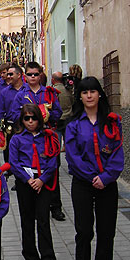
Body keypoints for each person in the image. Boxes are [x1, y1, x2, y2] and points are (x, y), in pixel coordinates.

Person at [65, 77, 124, 260]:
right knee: (84, 233)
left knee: (106, 234)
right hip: (83, 184)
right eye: (84, 92)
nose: (89, 96)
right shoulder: (73, 124)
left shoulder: (112, 122)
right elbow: (73, 156)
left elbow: (118, 154)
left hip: (107, 185)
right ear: (79, 96)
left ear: (100, 94)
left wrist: (106, 177)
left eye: (93, 91)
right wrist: (92, 177)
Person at [9, 104, 59, 260]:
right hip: (26, 182)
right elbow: (14, 163)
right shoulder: (16, 139)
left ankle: (48, 258)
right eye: (26, 118)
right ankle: (30, 256)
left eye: (34, 118)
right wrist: (28, 180)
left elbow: (53, 161)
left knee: (43, 220)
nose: (30, 122)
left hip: (42, 182)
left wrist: (42, 180)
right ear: (22, 120)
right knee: (27, 220)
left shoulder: (48, 137)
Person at [49, 71, 74, 221]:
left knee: (56, 145)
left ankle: (55, 163)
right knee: (69, 144)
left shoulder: (55, 91)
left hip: (59, 120)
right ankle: (70, 165)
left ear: (53, 80)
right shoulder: (67, 90)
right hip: (69, 118)